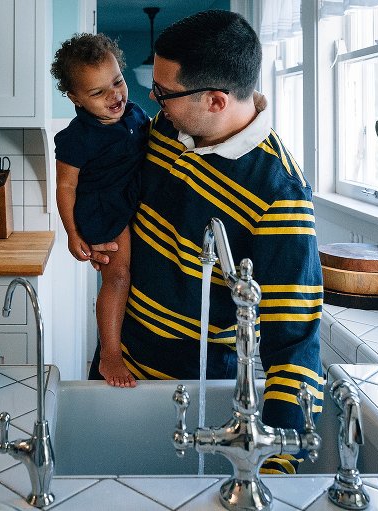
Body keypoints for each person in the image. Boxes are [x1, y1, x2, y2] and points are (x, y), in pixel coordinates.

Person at [87, 10, 325, 474]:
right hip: (120, 363)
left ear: (216, 100)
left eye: (165, 92)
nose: (152, 99)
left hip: (199, 393)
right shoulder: (166, 129)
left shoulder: (278, 193)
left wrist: (273, 467)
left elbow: (294, 345)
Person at [51, 33, 149, 388]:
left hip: (133, 197)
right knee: (118, 277)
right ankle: (109, 354)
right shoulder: (75, 138)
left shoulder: (135, 114)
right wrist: (72, 233)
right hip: (102, 209)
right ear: (75, 98)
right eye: (98, 93)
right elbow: (66, 187)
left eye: (117, 81)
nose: (115, 96)